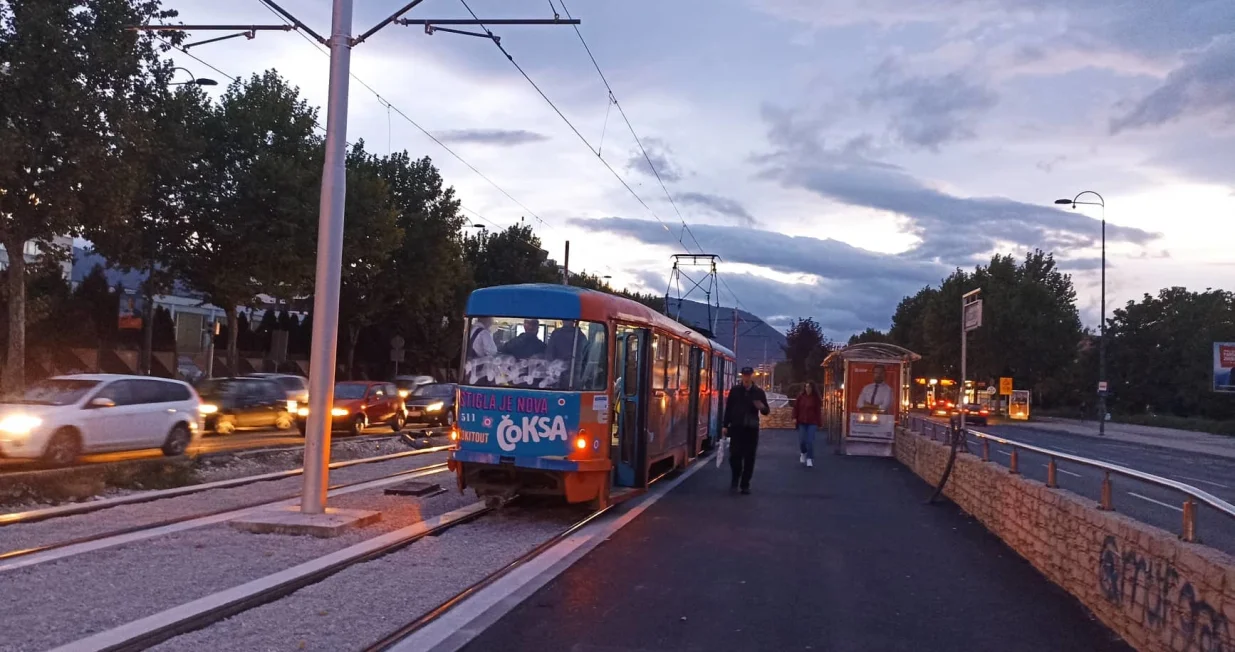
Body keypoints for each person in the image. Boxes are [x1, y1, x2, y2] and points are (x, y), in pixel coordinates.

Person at [723, 366, 770, 494]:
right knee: (734, 456)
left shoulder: (758, 392)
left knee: (749, 458)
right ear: (742, 376)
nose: (746, 377)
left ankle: (745, 484)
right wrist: (725, 425)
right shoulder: (735, 391)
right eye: (744, 375)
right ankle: (735, 480)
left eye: (748, 375)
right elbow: (729, 408)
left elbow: (766, 411)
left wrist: (762, 407)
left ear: (752, 376)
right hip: (737, 428)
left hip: (751, 429)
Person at [794, 381, 822, 467]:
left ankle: (810, 458)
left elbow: (818, 411)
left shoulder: (815, 399)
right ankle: (803, 453)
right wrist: (794, 417)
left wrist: (819, 423)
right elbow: (796, 408)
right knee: (802, 441)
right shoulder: (801, 397)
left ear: (812, 389)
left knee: (810, 441)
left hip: (812, 422)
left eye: (809, 387)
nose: (808, 389)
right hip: (802, 421)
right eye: (806, 387)